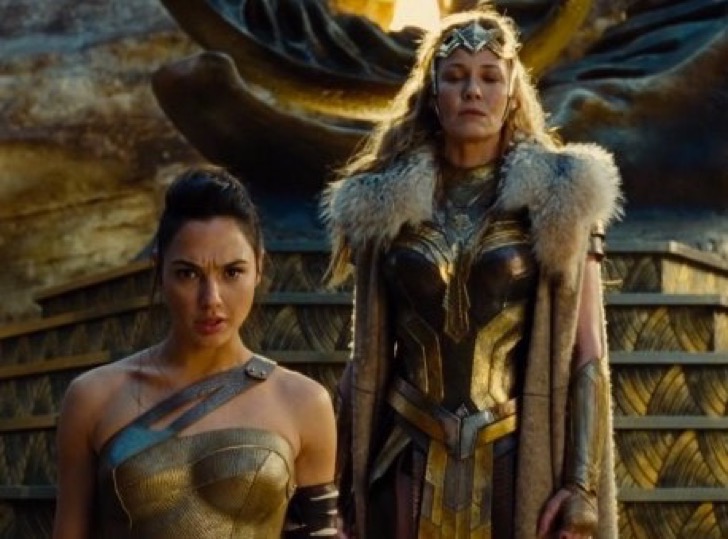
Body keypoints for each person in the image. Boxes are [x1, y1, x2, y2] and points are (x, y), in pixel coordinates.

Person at [322, 6, 622, 539]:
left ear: (512, 92)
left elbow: (588, 355)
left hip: (513, 456)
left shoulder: (561, 195)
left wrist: (582, 485)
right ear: (433, 93)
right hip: (405, 452)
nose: (473, 91)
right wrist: (334, 485)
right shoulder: (383, 201)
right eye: (456, 77)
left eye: (489, 77)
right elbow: (363, 355)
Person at [53, 167, 338, 538]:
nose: (211, 299)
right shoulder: (93, 398)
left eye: (232, 272)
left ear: (259, 268)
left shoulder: (304, 403)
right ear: (159, 270)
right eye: (188, 274)